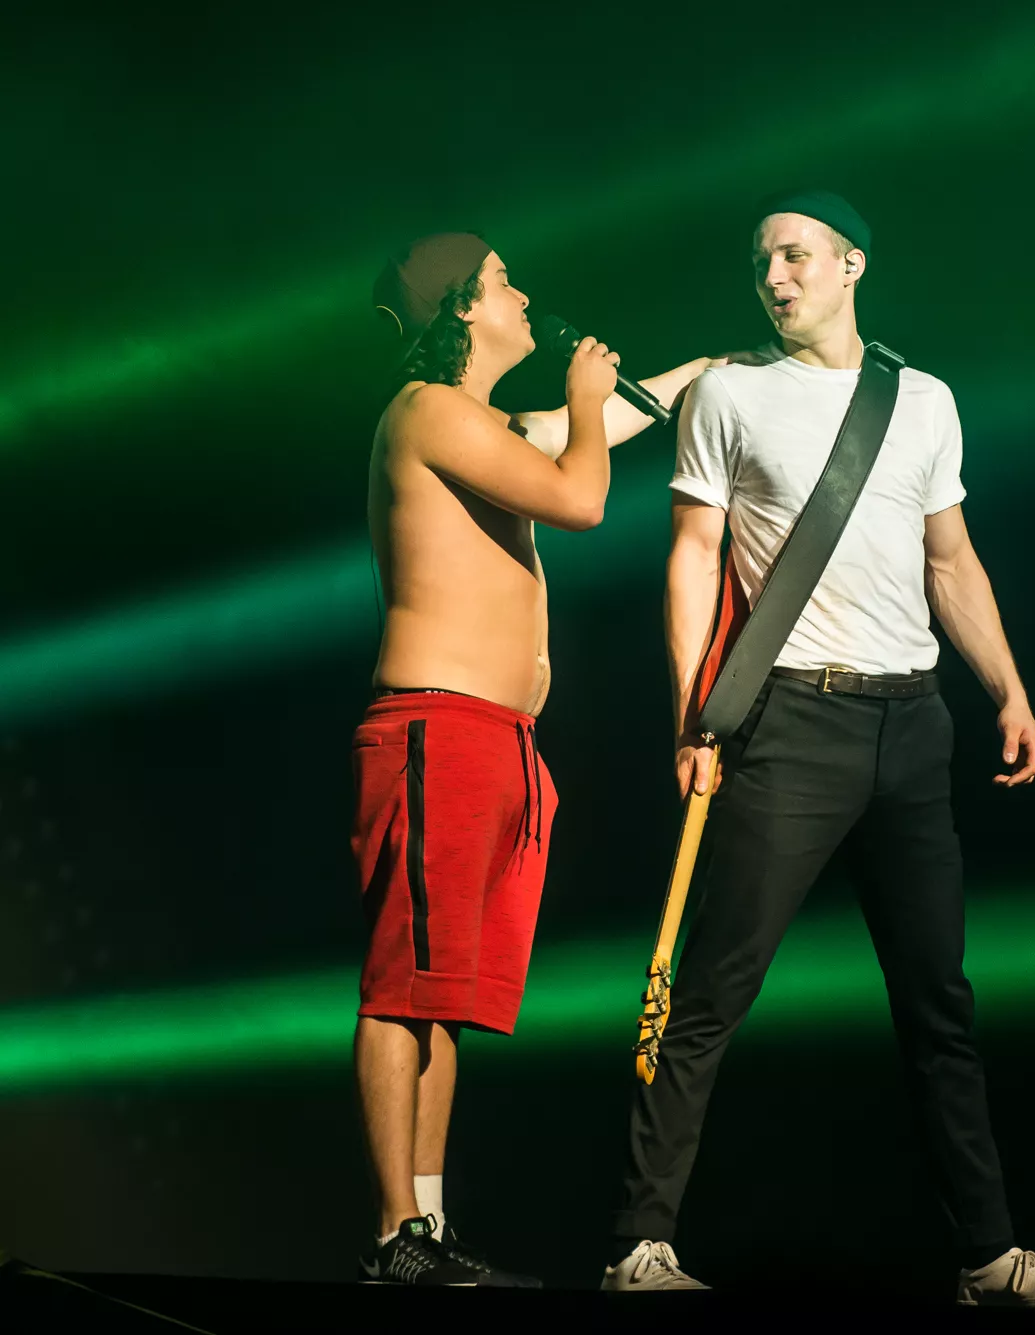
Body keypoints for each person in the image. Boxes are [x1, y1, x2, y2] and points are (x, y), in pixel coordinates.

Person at [603, 192, 1035, 1309]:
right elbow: (692, 555)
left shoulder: (922, 400)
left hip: (912, 725)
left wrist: (1008, 688)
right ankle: (639, 1245)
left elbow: (950, 561)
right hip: (789, 721)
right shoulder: (729, 395)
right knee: (711, 992)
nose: (774, 278)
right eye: (761, 262)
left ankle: (989, 1258)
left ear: (850, 265)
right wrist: (692, 715)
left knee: (939, 1003)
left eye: (794, 256)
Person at [353, 232, 711, 1286]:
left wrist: (707, 371)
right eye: (504, 280)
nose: (523, 296)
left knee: (446, 995)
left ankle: (427, 1225)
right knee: (402, 986)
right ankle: (392, 1234)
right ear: (462, 307)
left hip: (497, 739)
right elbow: (580, 495)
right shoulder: (427, 411)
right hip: (438, 729)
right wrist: (589, 399)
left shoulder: (482, 423)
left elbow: (579, 431)